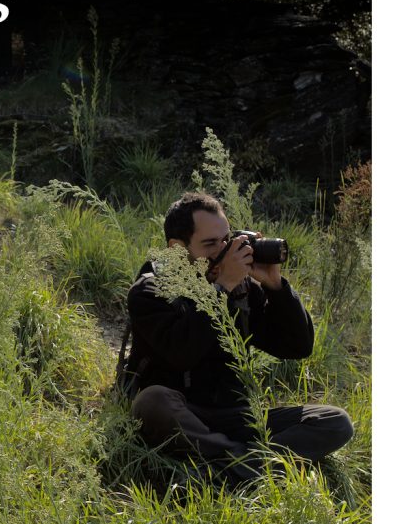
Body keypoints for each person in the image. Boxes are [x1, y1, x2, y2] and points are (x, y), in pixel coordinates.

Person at [122, 192, 353, 480]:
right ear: (177, 248)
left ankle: (223, 469)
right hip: (183, 413)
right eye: (209, 244)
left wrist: (275, 286)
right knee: (151, 401)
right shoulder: (150, 292)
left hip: (234, 415)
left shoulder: (241, 289)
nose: (223, 251)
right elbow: (182, 352)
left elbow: (297, 346)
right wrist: (221, 288)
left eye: (225, 240)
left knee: (335, 422)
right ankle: (252, 465)